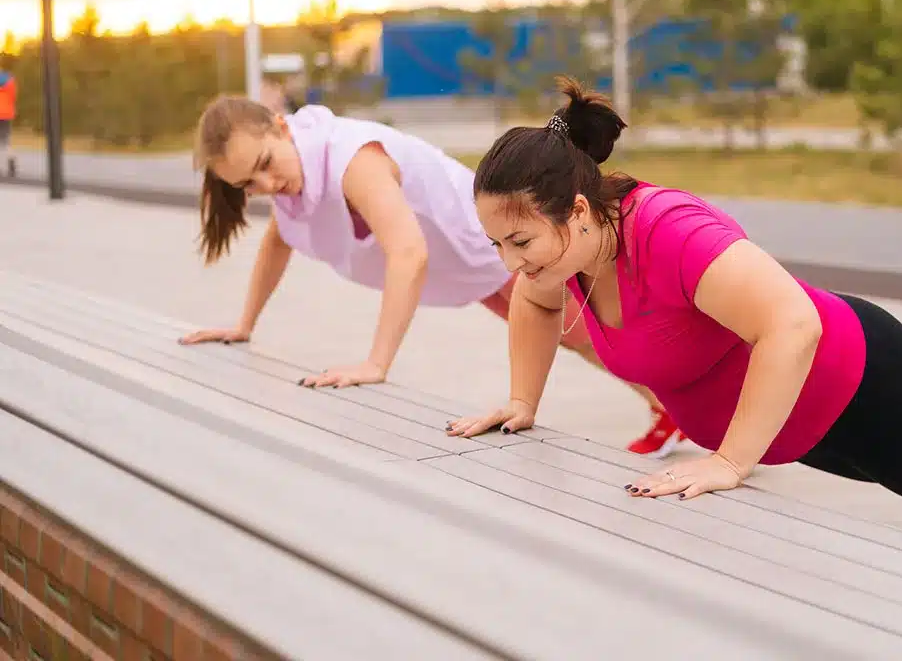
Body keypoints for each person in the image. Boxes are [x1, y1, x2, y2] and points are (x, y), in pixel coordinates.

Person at [446, 76, 902, 586]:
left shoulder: (668, 231)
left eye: (519, 240)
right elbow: (533, 305)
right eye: (498, 244)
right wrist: (522, 401)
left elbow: (791, 323)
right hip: (796, 420)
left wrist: (730, 463)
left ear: (575, 209)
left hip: (855, 374)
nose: (511, 263)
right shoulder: (567, 252)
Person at [176, 95, 680, 455]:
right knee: (581, 338)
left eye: (265, 163)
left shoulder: (352, 159)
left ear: (283, 127)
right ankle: (671, 410)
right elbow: (278, 242)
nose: (267, 183)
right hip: (471, 266)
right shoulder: (293, 185)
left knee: (589, 334)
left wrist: (376, 363)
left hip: (492, 244)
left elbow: (408, 253)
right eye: (249, 183)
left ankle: (685, 409)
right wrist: (245, 324)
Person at [0, 63, 16, 178]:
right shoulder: (10, 81)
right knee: (6, 141)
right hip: (7, 114)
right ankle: (11, 163)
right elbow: (13, 97)